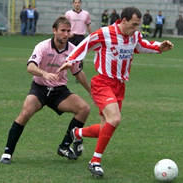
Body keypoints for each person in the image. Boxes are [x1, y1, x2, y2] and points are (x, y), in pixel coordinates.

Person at [58, 7, 174, 177]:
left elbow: (141, 45)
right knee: (115, 119)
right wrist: (70, 60)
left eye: (138, 25)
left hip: (119, 86)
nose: (136, 28)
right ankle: (95, 161)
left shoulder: (134, 35)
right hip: (102, 82)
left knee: (107, 126)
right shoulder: (105, 33)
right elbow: (86, 44)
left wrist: (159, 47)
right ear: (124, 20)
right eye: (134, 24)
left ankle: (76, 133)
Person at [0, 16, 91, 164]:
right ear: (54, 30)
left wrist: (91, 91)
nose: (66, 34)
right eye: (63, 30)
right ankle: (7, 153)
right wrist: (44, 74)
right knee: (25, 113)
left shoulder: (74, 50)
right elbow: (30, 67)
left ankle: (65, 146)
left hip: (59, 91)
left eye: (68, 31)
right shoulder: (42, 46)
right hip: (40, 89)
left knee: (84, 109)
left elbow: (78, 72)